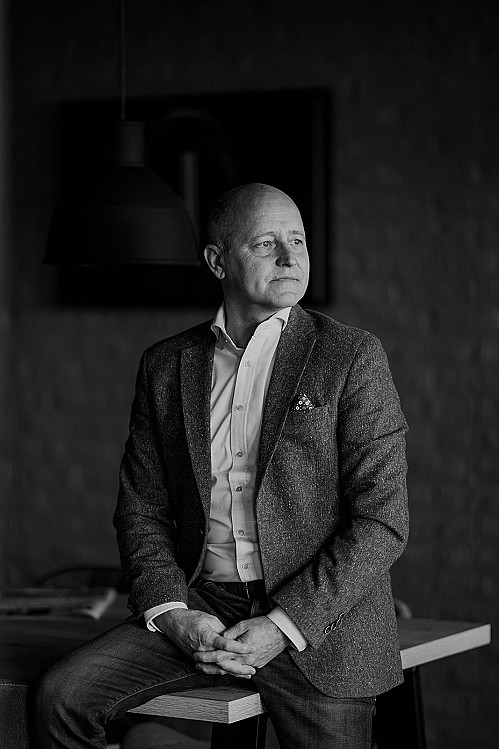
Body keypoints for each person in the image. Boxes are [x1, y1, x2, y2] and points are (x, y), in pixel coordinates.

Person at [32, 183, 409, 749]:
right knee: (59, 699)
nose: (289, 257)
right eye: (266, 243)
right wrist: (172, 613)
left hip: (317, 624)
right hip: (201, 606)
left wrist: (282, 625)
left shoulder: (351, 356)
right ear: (217, 261)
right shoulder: (166, 365)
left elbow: (382, 521)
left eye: (298, 240)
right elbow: (141, 510)